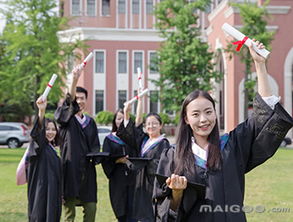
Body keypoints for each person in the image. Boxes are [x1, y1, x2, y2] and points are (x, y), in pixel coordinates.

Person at [153, 41, 293, 222]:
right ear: (186, 119)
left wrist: (259, 65)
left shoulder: (232, 145)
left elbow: (262, 115)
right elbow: (164, 212)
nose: (204, 119)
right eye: (196, 114)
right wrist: (177, 193)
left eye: (208, 112)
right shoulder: (172, 156)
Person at [55, 65, 100, 222]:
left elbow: (95, 145)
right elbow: (68, 103)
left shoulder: (91, 122)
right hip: (70, 170)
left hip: (87, 171)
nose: (79, 101)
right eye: (77, 98)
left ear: (87, 101)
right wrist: (74, 80)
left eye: (82, 98)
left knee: (91, 208)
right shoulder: (66, 119)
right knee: (69, 214)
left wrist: (96, 157)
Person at [117, 94, 170, 222]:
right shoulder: (144, 141)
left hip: (154, 185)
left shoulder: (164, 143)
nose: (151, 126)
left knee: (152, 215)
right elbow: (132, 131)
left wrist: (147, 164)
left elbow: (164, 166)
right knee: (141, 216)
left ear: (161, 125)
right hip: (140, 184)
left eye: (154, 124)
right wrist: (126, 113)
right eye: (148, 124)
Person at [26, 96, 62, 221]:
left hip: (52, 195)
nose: (51, 132)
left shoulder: (53, 151)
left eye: (53, 129)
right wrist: (41, 111)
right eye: (47, 129)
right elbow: (37, 135)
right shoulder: (39, 147)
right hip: (40, 193)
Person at [101, 109, 137, 222]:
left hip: (132, 179)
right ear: (114, 121)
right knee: (120, 210)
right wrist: (118, 161)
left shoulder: (131, 138)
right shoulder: (109, 139)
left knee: (133, 211)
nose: (120, 121)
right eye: (118, 118)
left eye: (123, 118)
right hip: (117, 179)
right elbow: (105, 160)